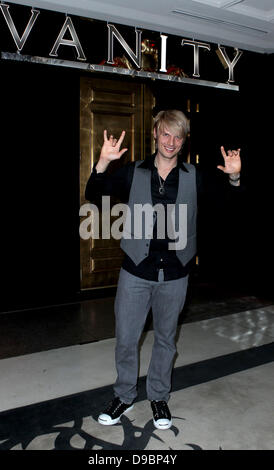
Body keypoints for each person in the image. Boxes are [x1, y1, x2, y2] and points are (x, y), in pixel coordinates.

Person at [85, 109, 242, 430]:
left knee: (166, 340)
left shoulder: (194, 176)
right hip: (135, 271)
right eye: (165, 134)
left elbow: (229, 207)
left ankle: (158, 396)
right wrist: (102, 163)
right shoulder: (133, 172)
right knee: (127, 339)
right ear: (155, 135)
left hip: (176, 272)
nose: (170, 141)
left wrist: (234, 177)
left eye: (178, 136)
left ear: (184, 141)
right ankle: (124, 395)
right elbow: (93, 195)